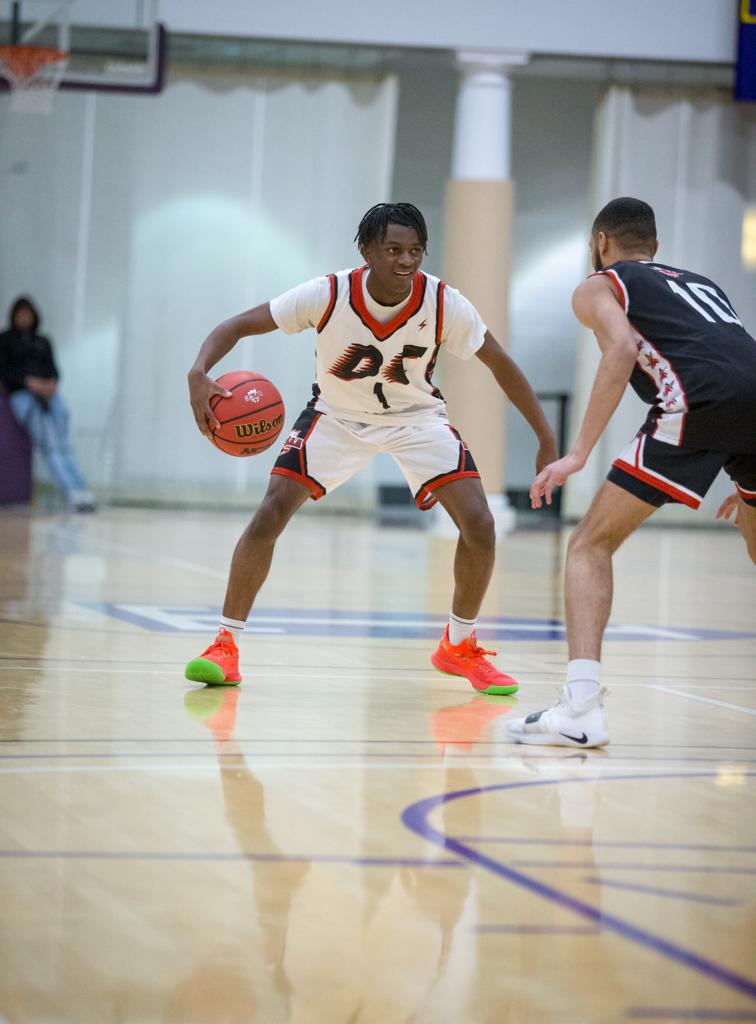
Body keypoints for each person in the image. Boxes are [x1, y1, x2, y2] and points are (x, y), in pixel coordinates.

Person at [185, 202, 558, 689]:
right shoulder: (328, 293)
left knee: (480, 524)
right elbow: (237, 325)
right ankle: (224, 646)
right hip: (336, 416)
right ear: (366, 251)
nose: (406, 261)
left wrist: (546, 436)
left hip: (417, 419)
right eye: (393, 250)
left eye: (416, 251)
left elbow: (500, 363)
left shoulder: (444, 302)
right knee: (270, 512)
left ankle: (459, 646)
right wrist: (198, 372)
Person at [507, 196, 756, 749]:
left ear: (600, 243)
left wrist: (576, 454)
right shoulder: (703, 283)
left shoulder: (599, 284)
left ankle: (579, 709)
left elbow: (619, 350)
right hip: (750, 401)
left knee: (588, 546)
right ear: (656, 248)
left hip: (698, 403)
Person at [0, 297, 95, 513]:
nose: (25, 317)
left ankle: (82, 490)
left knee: (63, 444)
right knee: (51, 444)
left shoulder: (43, 341)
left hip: (50, 396)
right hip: (24, 396)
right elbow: (6, 372)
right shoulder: (5, 340)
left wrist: (49, 384)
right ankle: (72, 492)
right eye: (20, 313)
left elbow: (53, 369)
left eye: (28, 313)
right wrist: (29, 383)